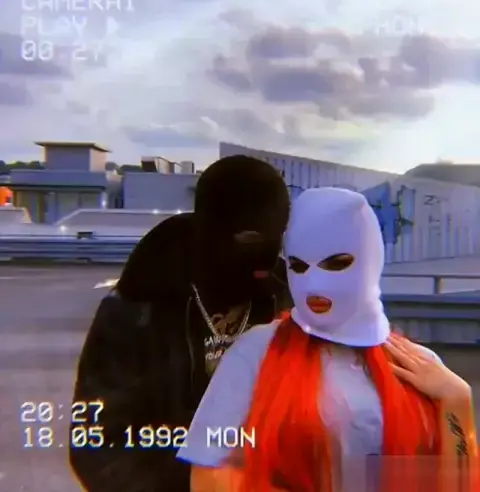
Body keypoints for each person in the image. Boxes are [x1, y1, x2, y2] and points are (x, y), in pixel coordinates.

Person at [177, 187, 478, 492]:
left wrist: (456, 400)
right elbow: (210, 471)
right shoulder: (255, 352)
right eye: (298, 266)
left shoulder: (420, 366)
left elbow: (456, 486)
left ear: (370, 259)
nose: (314, 283)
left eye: (336, 263)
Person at [69, 155, 292, 492]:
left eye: (279, 237)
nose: (268, 255)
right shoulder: (138, 309)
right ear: (212, 234)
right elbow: (97, 443)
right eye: (250, 239)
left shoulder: (287, 295)